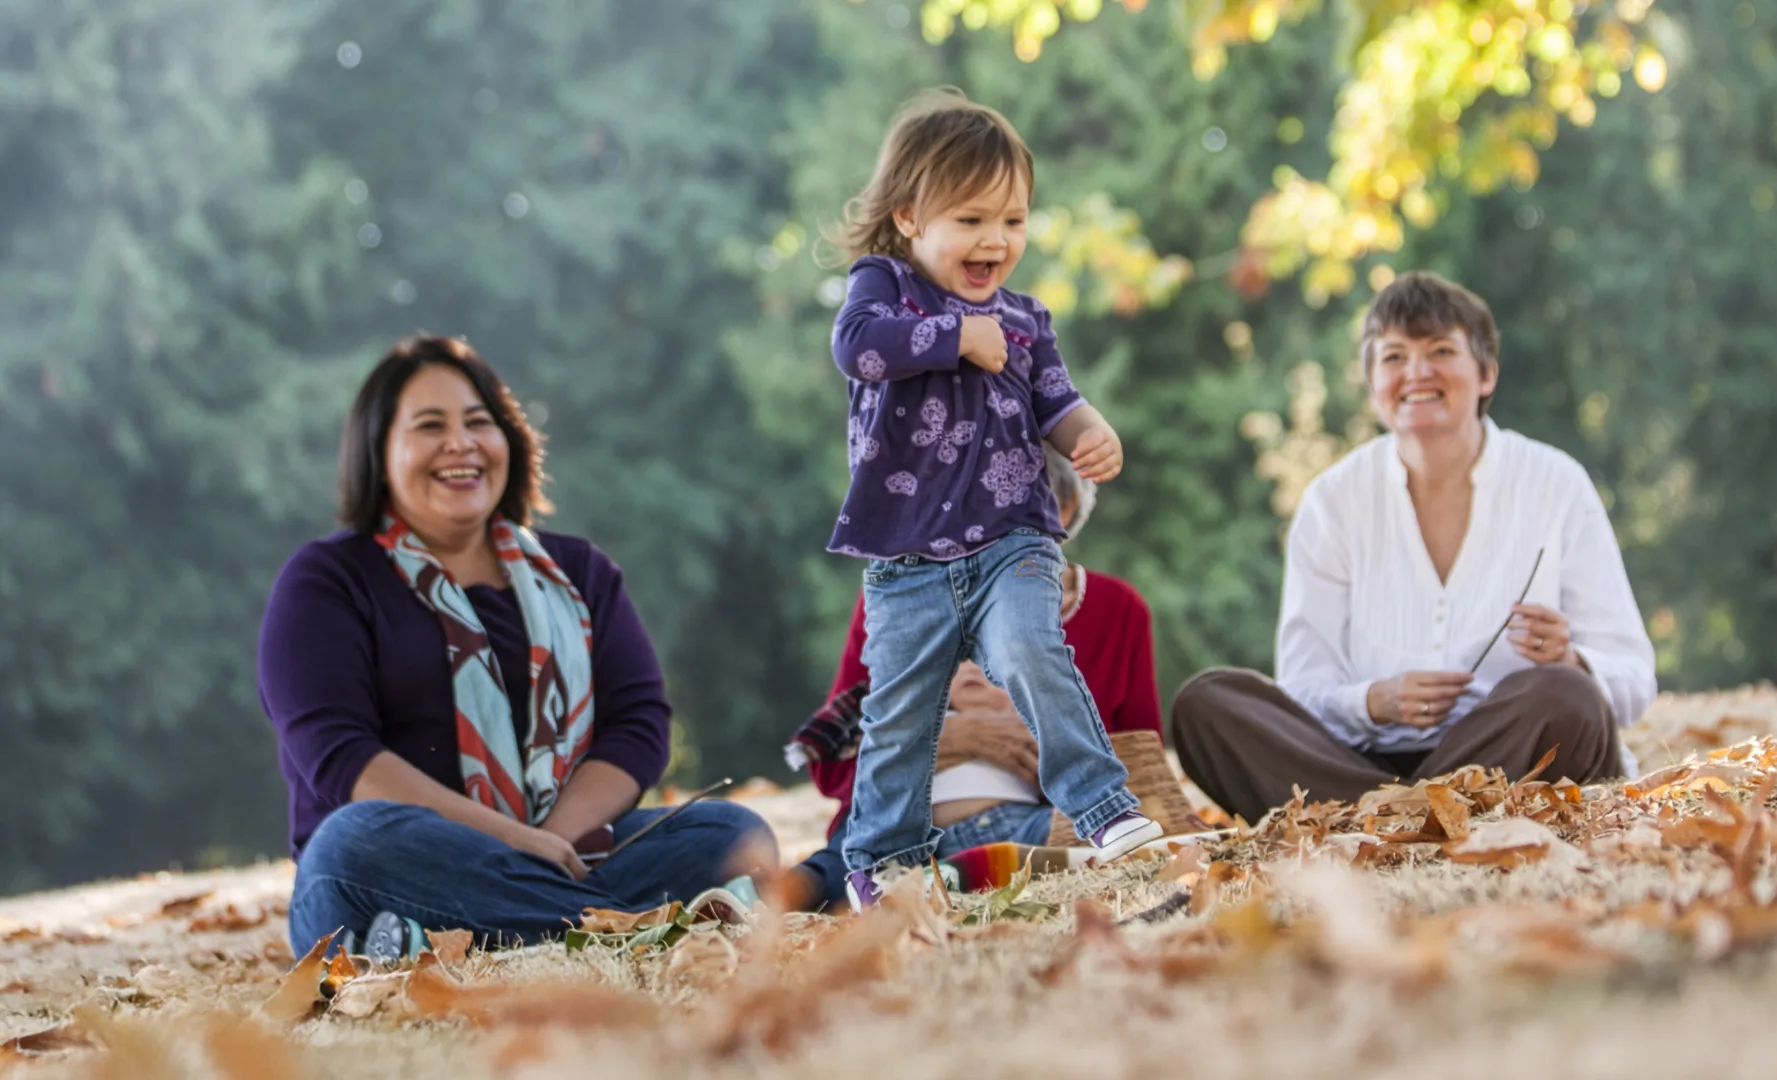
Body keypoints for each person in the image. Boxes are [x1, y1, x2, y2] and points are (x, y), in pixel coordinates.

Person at [259, 335, 774, 958]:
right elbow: (341, 757)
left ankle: (471, 940)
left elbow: (636, 724)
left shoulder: (579, 571)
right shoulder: (327, 580)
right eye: (430, 425)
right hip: (396, 866)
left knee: (728, 831)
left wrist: (550, 840)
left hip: (560, 854)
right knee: (350, 843)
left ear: (510, 440)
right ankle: (628, 932)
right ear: (379, 451)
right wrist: (508, 839)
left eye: (480, 422)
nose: (462, 443)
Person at [823, 88, 1162, 910]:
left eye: (1012, 220)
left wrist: (1090, 430)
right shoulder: (885, 291)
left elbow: (1057, 401)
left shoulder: (1026, 320)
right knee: (901, 713)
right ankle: (883, 858)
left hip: (1012, 538)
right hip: (907, 561)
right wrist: (950, 336)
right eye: (971, 220)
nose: (995, 241)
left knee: (1030, 652)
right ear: (909, 217)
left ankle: (1103, 804)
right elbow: (855, 350)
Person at [1171, 272, 1657, 819]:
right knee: (1208, 703)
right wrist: (1374, 702)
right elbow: (1304, 688)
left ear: (1487, 373)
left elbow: (1634, 677)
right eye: (1394, 356)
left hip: (1508, 752)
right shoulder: (1332, 501)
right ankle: (1421, 814)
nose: (1417, 373)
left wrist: (1569, 658)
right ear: (1372, 382)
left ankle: (1382, 819)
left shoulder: (1555, 483)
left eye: (1441, 351)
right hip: (1359, 763)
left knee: (1567, 697)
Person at [782, 447, 1163, 909]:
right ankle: (773, 896)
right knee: (833, 868)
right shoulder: (900, 597)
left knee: (1067, 848)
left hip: (1024, 821)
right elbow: (832, 762)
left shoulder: (1117, 610)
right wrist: (950, 737)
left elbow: (1141, 765)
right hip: (891, 825)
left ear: (1058, 513)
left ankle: (964, 875)